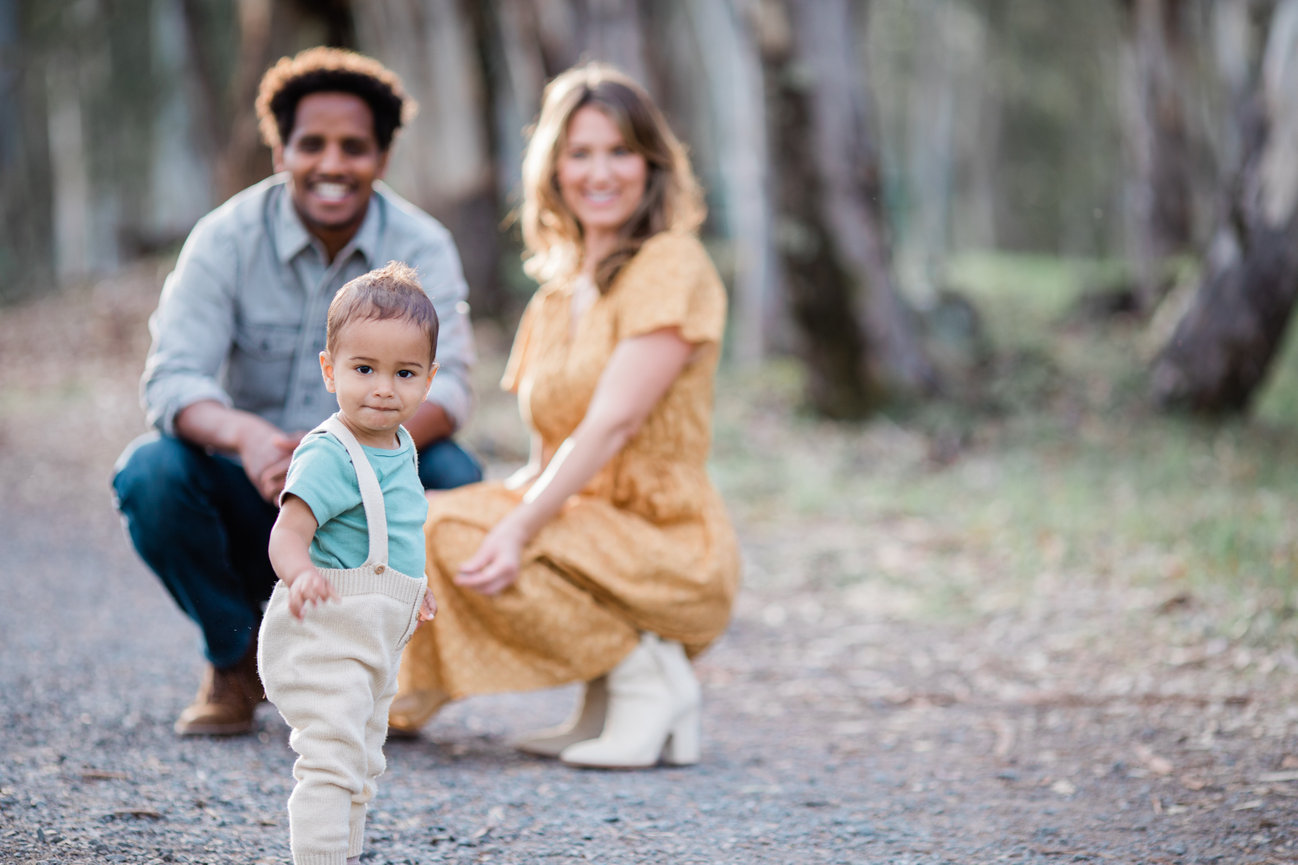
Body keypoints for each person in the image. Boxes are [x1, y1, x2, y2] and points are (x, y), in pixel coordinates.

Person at [110, 46, 480, 738]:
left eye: (354, 147)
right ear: (281, 151)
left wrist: (355, 449)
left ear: (383, 157)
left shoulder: (423, 243)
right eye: (312, 144)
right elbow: (171, 378)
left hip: (374, 485)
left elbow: (453, 384)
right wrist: (246, 436)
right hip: (255, 482)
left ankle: (385, 665)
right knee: (150, 473)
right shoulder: (224, 239)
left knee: (458, 476)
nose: (333, 164)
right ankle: (234, 657)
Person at [389, 61, 741, 769]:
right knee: (426, 518)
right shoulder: (555, 297)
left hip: (661, 535)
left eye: (619, 151)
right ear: (554, 169)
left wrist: (514, 523)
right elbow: (547, 450)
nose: (599, 172)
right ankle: (604, 695)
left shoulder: (671, 264)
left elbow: (610, 425)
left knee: (459, 531)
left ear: (652, 165)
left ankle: (647, 674)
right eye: (580, 153)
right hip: (585, 524)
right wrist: (493, 506)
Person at [259, 261, 438, 865]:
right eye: (364, 370)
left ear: (429, 379)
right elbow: (288, 532)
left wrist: (419, 588)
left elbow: (394, 533)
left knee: (363, 757)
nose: (383, 388)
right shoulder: (329, 455)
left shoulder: (400, 445)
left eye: (404, 373)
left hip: (377, 633)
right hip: (330, 627)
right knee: (330, 758)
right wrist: (299, 571)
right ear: (330, 370)